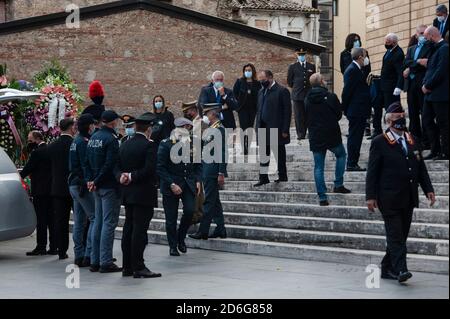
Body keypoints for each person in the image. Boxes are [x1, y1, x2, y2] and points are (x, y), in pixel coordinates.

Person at [366, 102, 435, 283]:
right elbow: (372, 172)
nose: (401, 120)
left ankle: (387, 266)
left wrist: (428, 189)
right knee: (395, 235)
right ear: (389, 121)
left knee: (401, 234)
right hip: (388, 198)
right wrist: (370, 197)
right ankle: (401, 269)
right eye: (397, 117)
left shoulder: (412, 139)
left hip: (408, 197)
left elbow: (421, 168)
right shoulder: (380, 142)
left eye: (402, 116)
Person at [116, 112, 161, 279]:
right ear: (148, 129)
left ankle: (127, 266)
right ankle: (138, 266)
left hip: (127, 192)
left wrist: (123, 176)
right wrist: (133, 176)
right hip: (143, 193)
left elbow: (117, 165)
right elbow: (149, 169)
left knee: (128, 228)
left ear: (135, 127)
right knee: (139, 231)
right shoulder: (149, 145)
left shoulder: (125, 144)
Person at [157, 118, 202, 256]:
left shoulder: (193, 143)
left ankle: (180, 238)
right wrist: (171, 183)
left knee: (189, 211)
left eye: (189, 128)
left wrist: (198, 180)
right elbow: (160, 167)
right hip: (171, 185)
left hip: (188, 183)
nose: (188, 130)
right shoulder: (166, 144)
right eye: (186, 127)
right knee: (171, 218)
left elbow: (198, 164)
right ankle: (172, 245)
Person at [305, 73, 351, 206]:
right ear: (321, 83)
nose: (325, 81)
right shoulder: (331, 96)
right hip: (331, 134)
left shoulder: (307, 98)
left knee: (318, 166)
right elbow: (338, 114)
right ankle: (338, 184)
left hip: (316, 135)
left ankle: (322, 196)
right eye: (323, 79)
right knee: (341, 155)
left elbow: (305, 115)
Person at [85, 110, 122, 273]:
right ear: (113, 122)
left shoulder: (94, 137)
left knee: (98, 222)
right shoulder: (112, 139)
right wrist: (97, 180)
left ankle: (95, 260)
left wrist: (90, 181)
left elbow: (86, 161)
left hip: (96, 186)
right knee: (108, 223)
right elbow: (109, 165)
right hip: (107, 185)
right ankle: (105, 261)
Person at [190, 103, 228, 240]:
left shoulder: (219, 129)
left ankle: (203, 231)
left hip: (213, 171)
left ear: (212, 114)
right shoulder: (212, 129)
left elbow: (223, 152)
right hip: (208, 169)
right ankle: (220, 229)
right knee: (215, 201)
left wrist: (221, 172)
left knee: (209, 202)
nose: (205, 116)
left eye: (206, 114)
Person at [254, 70, 292, 186]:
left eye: (263, 79)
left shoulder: (282, 91)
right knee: (264, 154)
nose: (261, 82)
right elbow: (259, 109)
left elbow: (287, 111)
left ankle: (282, 176)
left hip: (277, 127)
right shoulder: (261, 92)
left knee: (279, 154)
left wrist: (285, 129)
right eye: (260, 80)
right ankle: (263, 177)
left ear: (270, 77)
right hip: (262, 127)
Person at [20, 131, 55, 256]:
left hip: (40, 191)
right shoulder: (51, 150)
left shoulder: (36, 153)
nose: (29, 143)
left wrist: (19, 177)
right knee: (51, 219)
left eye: (30, 140)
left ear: (37, 139)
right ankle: (53, 246)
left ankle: (41, 247)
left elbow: (27, 169)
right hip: (51, 190)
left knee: (41, 220)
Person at [68, 114, 96, 267]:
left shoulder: (75, 141)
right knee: (94, 217)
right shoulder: (84, 142)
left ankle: (78, 254)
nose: (93, 127)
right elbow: (86, 165)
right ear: (87, 126)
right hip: (81, 185)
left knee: (79, 221)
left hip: (73, 184)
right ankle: (89, 254)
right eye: (92, 124)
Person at [46, 118, 75, 260]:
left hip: (57, 187)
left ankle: (61, 250)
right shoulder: (75, 144)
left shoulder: (52, 146)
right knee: (81, 220)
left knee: (60, 221)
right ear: (71, 128)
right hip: (74, 186)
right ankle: (81, 250)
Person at [402, 25, 433, 147]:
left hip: (422, 83)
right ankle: (415, 140)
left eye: (424, 33)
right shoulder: (411, 48)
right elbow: (406, 62)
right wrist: (417, 62)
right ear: (416, 35)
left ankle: (426, 141)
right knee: (413, 113)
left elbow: (426, 63)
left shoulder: (430, 47)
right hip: (411, 85)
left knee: (425, 113)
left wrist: (412, 66)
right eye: (420, 33)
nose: (422, 36)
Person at [342, 48, 371, 171]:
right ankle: (352, 163)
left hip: (359, 109)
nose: (366, 59)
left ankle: (353, 162)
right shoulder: (352, 70)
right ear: (360, 57)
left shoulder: (357, 69)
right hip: (356, 110)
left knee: (357, 137)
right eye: (365, 56)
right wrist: (346, 109)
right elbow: (347, 92)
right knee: (355, 137)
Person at [422, 26, 449, 160]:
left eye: (426, 38)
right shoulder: (434, 49)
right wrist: (424, 84)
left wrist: (428, 85)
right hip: (430, 94)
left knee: (443, 123)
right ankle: (435, 150)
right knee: (426, 120)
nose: (425, 41)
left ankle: (446, 151)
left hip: (440, 93)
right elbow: (430, 70)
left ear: (432, 36)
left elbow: (441, 71)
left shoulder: (445, 48)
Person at [375, 33, 405, 136]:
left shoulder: (398, 53)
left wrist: (399, 86)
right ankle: (386, 130)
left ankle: (394, 131)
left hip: (392, 87)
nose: (386, 44)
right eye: (385, 42)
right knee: (386, 109)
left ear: (394, 42)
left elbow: (400, 71)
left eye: (388, 42)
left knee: (393, 111)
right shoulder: (389, 51)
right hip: (384, 86)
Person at [182, 101, 205, 225]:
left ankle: (197, 214)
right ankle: (197, 213)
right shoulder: (194, 123)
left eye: (188, 111)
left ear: (194, 109)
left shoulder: (200, 122)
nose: (187, 113)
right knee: (197, 188)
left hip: (198, 157)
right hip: (194, 157)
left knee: (198, 188)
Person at [287, 48, 316, 141]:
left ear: (305, 55)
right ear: (297, 55)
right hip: (297, 94)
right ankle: (301, 134)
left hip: (308, 94)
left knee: (309, 114)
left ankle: (309, 132)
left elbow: (313, 79)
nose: (302, 56)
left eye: (303, 54)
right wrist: (296, 87)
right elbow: (289, 81)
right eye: (300, 55)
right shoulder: (293, 67)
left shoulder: (311, 66)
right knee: (299, 116)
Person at [233, 63, 261, 154]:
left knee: (250, 128)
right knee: (243, 128)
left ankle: (247, 146)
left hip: (252, 109)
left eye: (249, 70)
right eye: (246, 70)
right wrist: (238, 104)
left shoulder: (257, 83)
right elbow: (234, 94)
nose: (247, 72)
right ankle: (243, 146)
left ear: (252, 71)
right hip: (242, 109)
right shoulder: (239, 81)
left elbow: (260, 94)